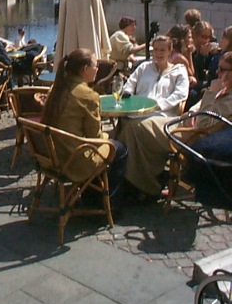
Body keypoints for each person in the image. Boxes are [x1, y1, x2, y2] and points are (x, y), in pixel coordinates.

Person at [41, 49, 127, 207]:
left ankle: (91, 193)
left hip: (51, 154)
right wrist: (109, 136)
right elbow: (95, 137)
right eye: (96, 66)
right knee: (120, 149)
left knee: (107, 144)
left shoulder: (57, 87)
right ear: (85, 69)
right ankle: (109, 203)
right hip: (73, 159)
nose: (98, 69)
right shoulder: (88, 95)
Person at [117, 35, 189, 198]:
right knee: (127, 124)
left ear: (170, 51)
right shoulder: (144, 67)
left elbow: (180, 94)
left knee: (131, 128)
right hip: (138, 112)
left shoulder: (178, 71)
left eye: (162, 50)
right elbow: (129, 85)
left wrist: (158, 105)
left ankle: (134, 180)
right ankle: (133, 180)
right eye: (155, 50)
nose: (158, 53)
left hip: (164, 115)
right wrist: (128, 96)